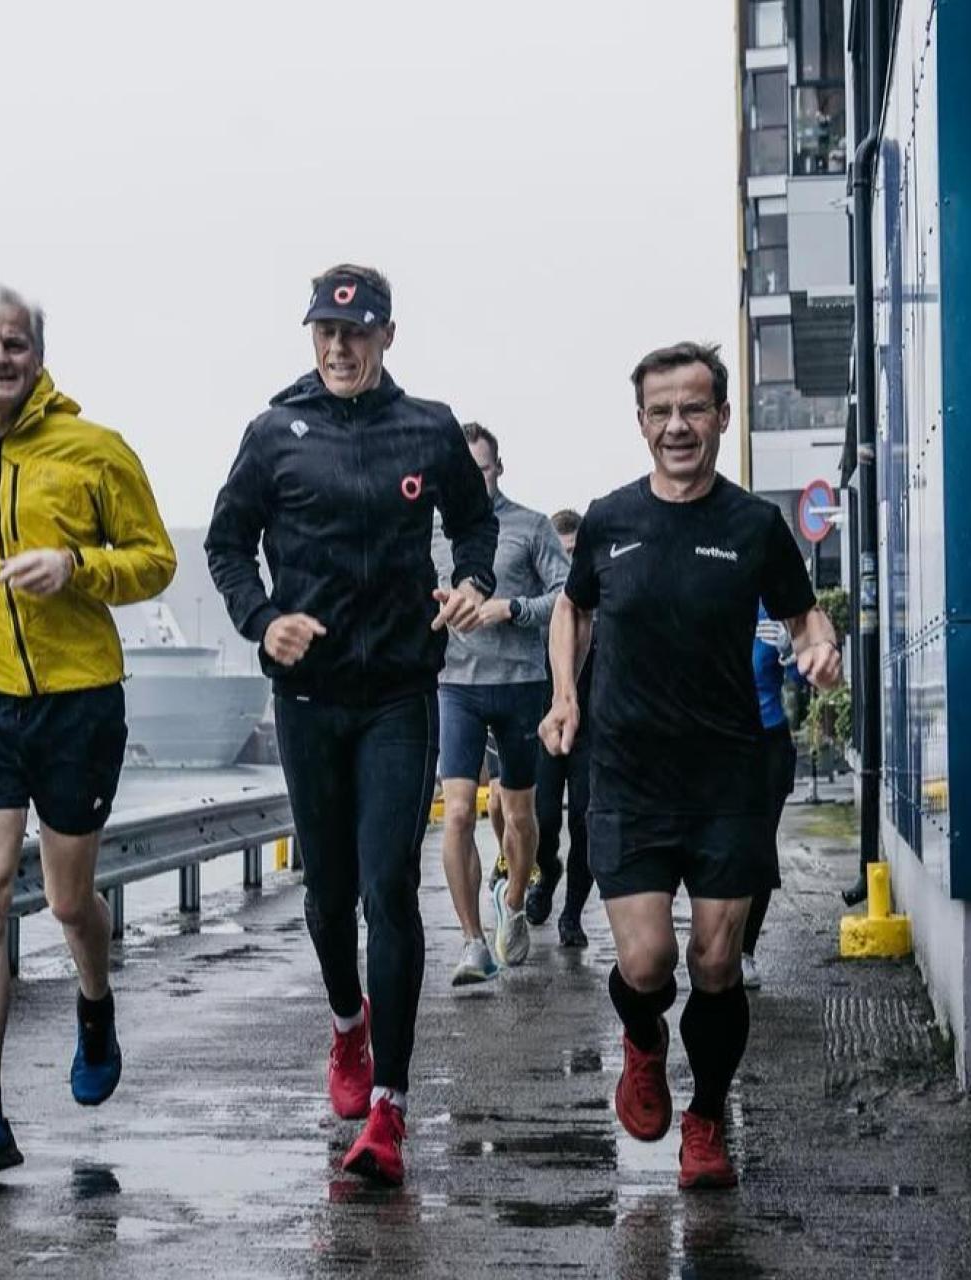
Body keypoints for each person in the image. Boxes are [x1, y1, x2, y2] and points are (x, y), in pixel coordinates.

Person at [207, 264, 497, 1185]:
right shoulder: (272, 433)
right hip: (307, 696)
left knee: (387, 893)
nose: (339, 348)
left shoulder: (427, 427)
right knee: (328, 898)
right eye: (326, 333)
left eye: (357, 332)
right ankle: (347, 1025)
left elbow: (475, 524)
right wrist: (263, 620)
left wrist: (473, 583)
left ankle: (392, 1107)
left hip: (400, 695)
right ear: (311, 337)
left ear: (386, 336)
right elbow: (226, 543)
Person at [539, 341, 841, 1190]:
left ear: (721, 419)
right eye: (662, 411)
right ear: (641, 424)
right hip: (627, 775)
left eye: (694, 408)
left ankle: (706, 1117)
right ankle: (642, 1043)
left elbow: (807, 620)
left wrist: (824, 651)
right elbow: (572, 611)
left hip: (725, 780)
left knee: (715, 963)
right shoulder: (609, 519)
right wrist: (565, 696)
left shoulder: (753, 526)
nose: (678, 425)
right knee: (647, 967)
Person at [0, 284, 177, 1181]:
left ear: (38, 355)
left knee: (64, 901)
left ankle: (95, 1001)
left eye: (14, 344)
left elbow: (155, 560)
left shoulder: (95, 450)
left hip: (78, 698)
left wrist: (77, 566)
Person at [432, 423, 569, 983]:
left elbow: (569, 594)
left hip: (519, 684)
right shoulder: (432, 533)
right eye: (461, 472)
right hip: (455, 686)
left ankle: (513, 903)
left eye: (481, 470)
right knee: (459, 812)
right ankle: (472, 943)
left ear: (498, 470)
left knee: (519, 816)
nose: (472, 480)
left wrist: (512, 609)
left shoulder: (531, 526)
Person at [739, 604, 802, 989]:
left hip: (769, 744)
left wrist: (789, 652)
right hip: (724, 741)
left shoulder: (772, 608)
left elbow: (804, 680)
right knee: (725, 845)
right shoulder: (712, 598)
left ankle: (745, 951)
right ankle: (716, 943)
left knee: (759, 846)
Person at [543, 508, 596, 947]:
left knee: (585, 821)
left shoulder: (601, 601)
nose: (570, 562)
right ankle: (546, 872)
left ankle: (572, 913)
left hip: (594, 729)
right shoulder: (548, 605)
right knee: (542, 819)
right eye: (563, 553)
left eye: (577, 552)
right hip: (544, 724)